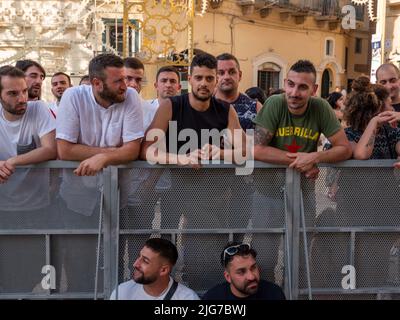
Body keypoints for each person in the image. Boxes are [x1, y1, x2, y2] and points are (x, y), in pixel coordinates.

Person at [141, 53, 249, 290]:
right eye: (198, 77)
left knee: (204, 259)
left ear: (216, 81)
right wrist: (180, 159)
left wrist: (217, 153)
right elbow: (147, 150)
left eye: (209, 78)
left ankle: (202, 295)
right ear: (189, 79)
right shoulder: (172, 106)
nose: (203, 83)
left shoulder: (225, 110)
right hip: (174, 191)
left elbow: (244, 151)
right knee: (165, 255)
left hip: (211, 196)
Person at [55, 53, 144, 292]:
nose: (126, 85)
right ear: (97, 83)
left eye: (125, 79)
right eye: (118, 81)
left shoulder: (131, 97)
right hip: (75, 200)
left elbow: (132, 149)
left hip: (117, 198)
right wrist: (112, 152)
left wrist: (102, 157)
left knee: (117, 262)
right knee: (78, 264)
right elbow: (64, 149)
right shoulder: (73, 96)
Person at [0, 65, 57, 292]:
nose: (22, 98)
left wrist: (13, 161)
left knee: (33, 269)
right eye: (13, 93)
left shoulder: (38, 109)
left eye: (23, 91)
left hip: (36, 206)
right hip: (3, 207)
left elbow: (50, 149)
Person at [253, 59, 352, 180]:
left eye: (303, 87)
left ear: (314, 90)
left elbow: (345, 149)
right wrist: (305, 162)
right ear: (284, 83)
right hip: (268, 190)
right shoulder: (274, 103)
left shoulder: (321, 107)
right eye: (291, 84)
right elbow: (256, 149)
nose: (294, 93)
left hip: (304, 189)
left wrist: (314, 158)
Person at [110, 238, 199, 300]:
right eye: (139, 256)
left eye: (145, 261)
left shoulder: (187, 298)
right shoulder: (122, 292)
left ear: (163, 270)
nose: (135, 264)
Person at [202, 242, 285, 300]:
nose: (251, 277)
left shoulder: (274, 293)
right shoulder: (212, 298)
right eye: (241, 272)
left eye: (253, 268)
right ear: (228, 277)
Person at [215, 53, 262, 131]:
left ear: (239, 75)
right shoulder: (205, 106)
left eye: (232, 72)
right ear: (214, 76)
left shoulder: (255, 107)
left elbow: (261, 142)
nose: (226, 77)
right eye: (221, 73)